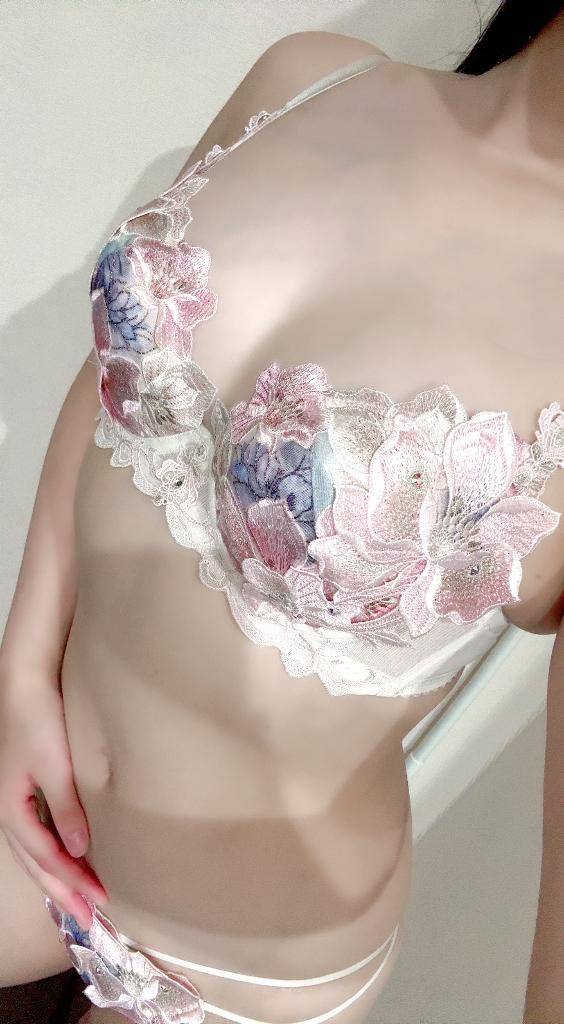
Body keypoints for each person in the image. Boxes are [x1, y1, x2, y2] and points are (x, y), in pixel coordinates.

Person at [1, 4, 564, 1023]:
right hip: (45, 782)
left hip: (232, 961)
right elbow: (119, 376)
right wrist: (23, 663)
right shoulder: (311, 77)